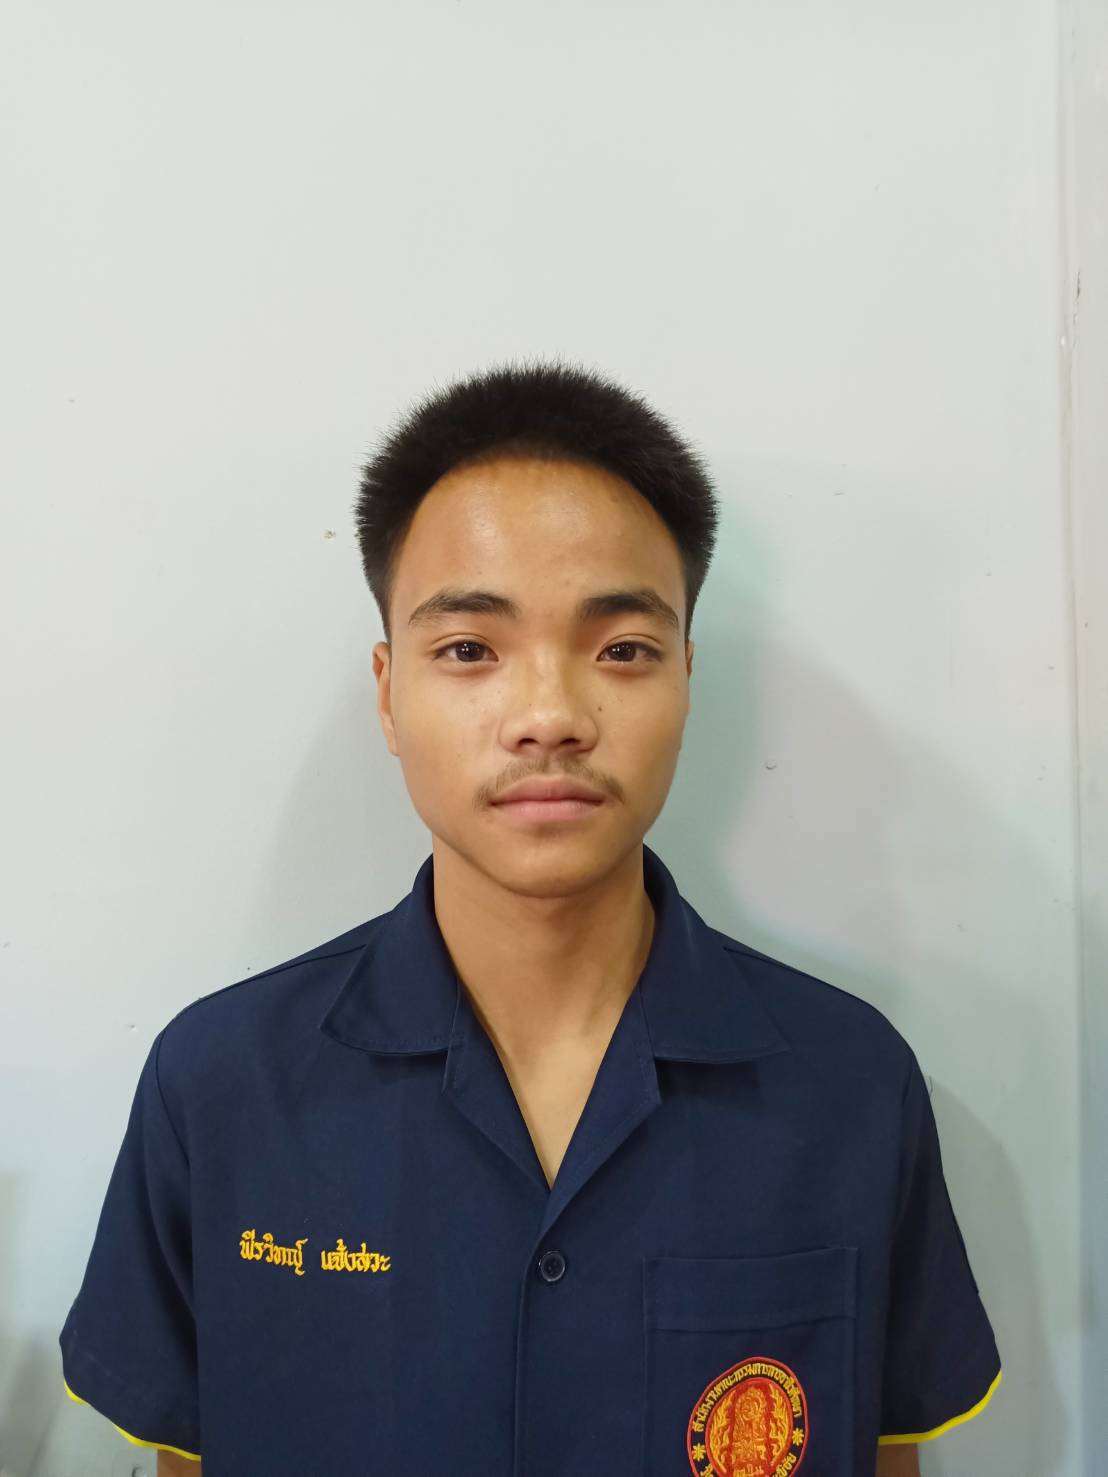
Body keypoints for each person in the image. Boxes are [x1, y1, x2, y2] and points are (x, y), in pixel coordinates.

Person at [59, 356, 1002, 1476]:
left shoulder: (849, 1084)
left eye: (622, 649)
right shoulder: (221, 1086)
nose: (550, 714)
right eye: (470, 649)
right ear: (387, 691)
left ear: (686, 678)